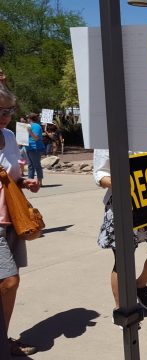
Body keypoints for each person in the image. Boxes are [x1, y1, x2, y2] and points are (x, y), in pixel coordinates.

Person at [94, 149, 147, 313]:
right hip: (122, 205)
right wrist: (121, 182)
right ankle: (121, 310)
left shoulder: (143, 133)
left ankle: (140, 285)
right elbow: (100, 175)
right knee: (123, 261)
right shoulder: (106, 139)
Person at [0, 82, 40, 356]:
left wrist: (25, 182)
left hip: (13, 218)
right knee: (9, 280)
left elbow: (12, 175)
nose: (7, 116)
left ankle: (3, 338)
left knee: (10, 283)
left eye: (10, 110)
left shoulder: (9, 136)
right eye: (2, 111)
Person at [25, 113, 44, 186]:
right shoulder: (29, 126)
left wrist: (30, 131)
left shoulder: (36, 126)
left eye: (27, 118)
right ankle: (31, 181)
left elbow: (36, 138)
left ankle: (39, 182)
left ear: (30, 119)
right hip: (29, 147)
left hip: (35, 148)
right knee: (30, 166)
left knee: (36, 165)